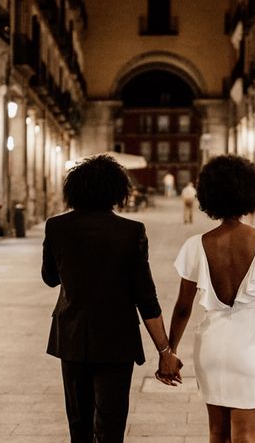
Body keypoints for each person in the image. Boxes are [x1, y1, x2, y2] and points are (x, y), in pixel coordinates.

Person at [41, 154, 183, 442]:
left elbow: (50, 278)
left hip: (71, 335)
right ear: (117, 192)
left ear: (74, 190)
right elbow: (146, 296)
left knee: (78, 422)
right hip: (117, 339)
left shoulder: (56, 227)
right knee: (111, 423)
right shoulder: (131, 232)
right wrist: (165, 351)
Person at [168, 155, 255, 443]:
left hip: (211, 346)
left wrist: (170, 350)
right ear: (251, 193)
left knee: (218, 434)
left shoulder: (195, 246)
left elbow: (183, 307)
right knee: (247, 436)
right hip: (250, 346)